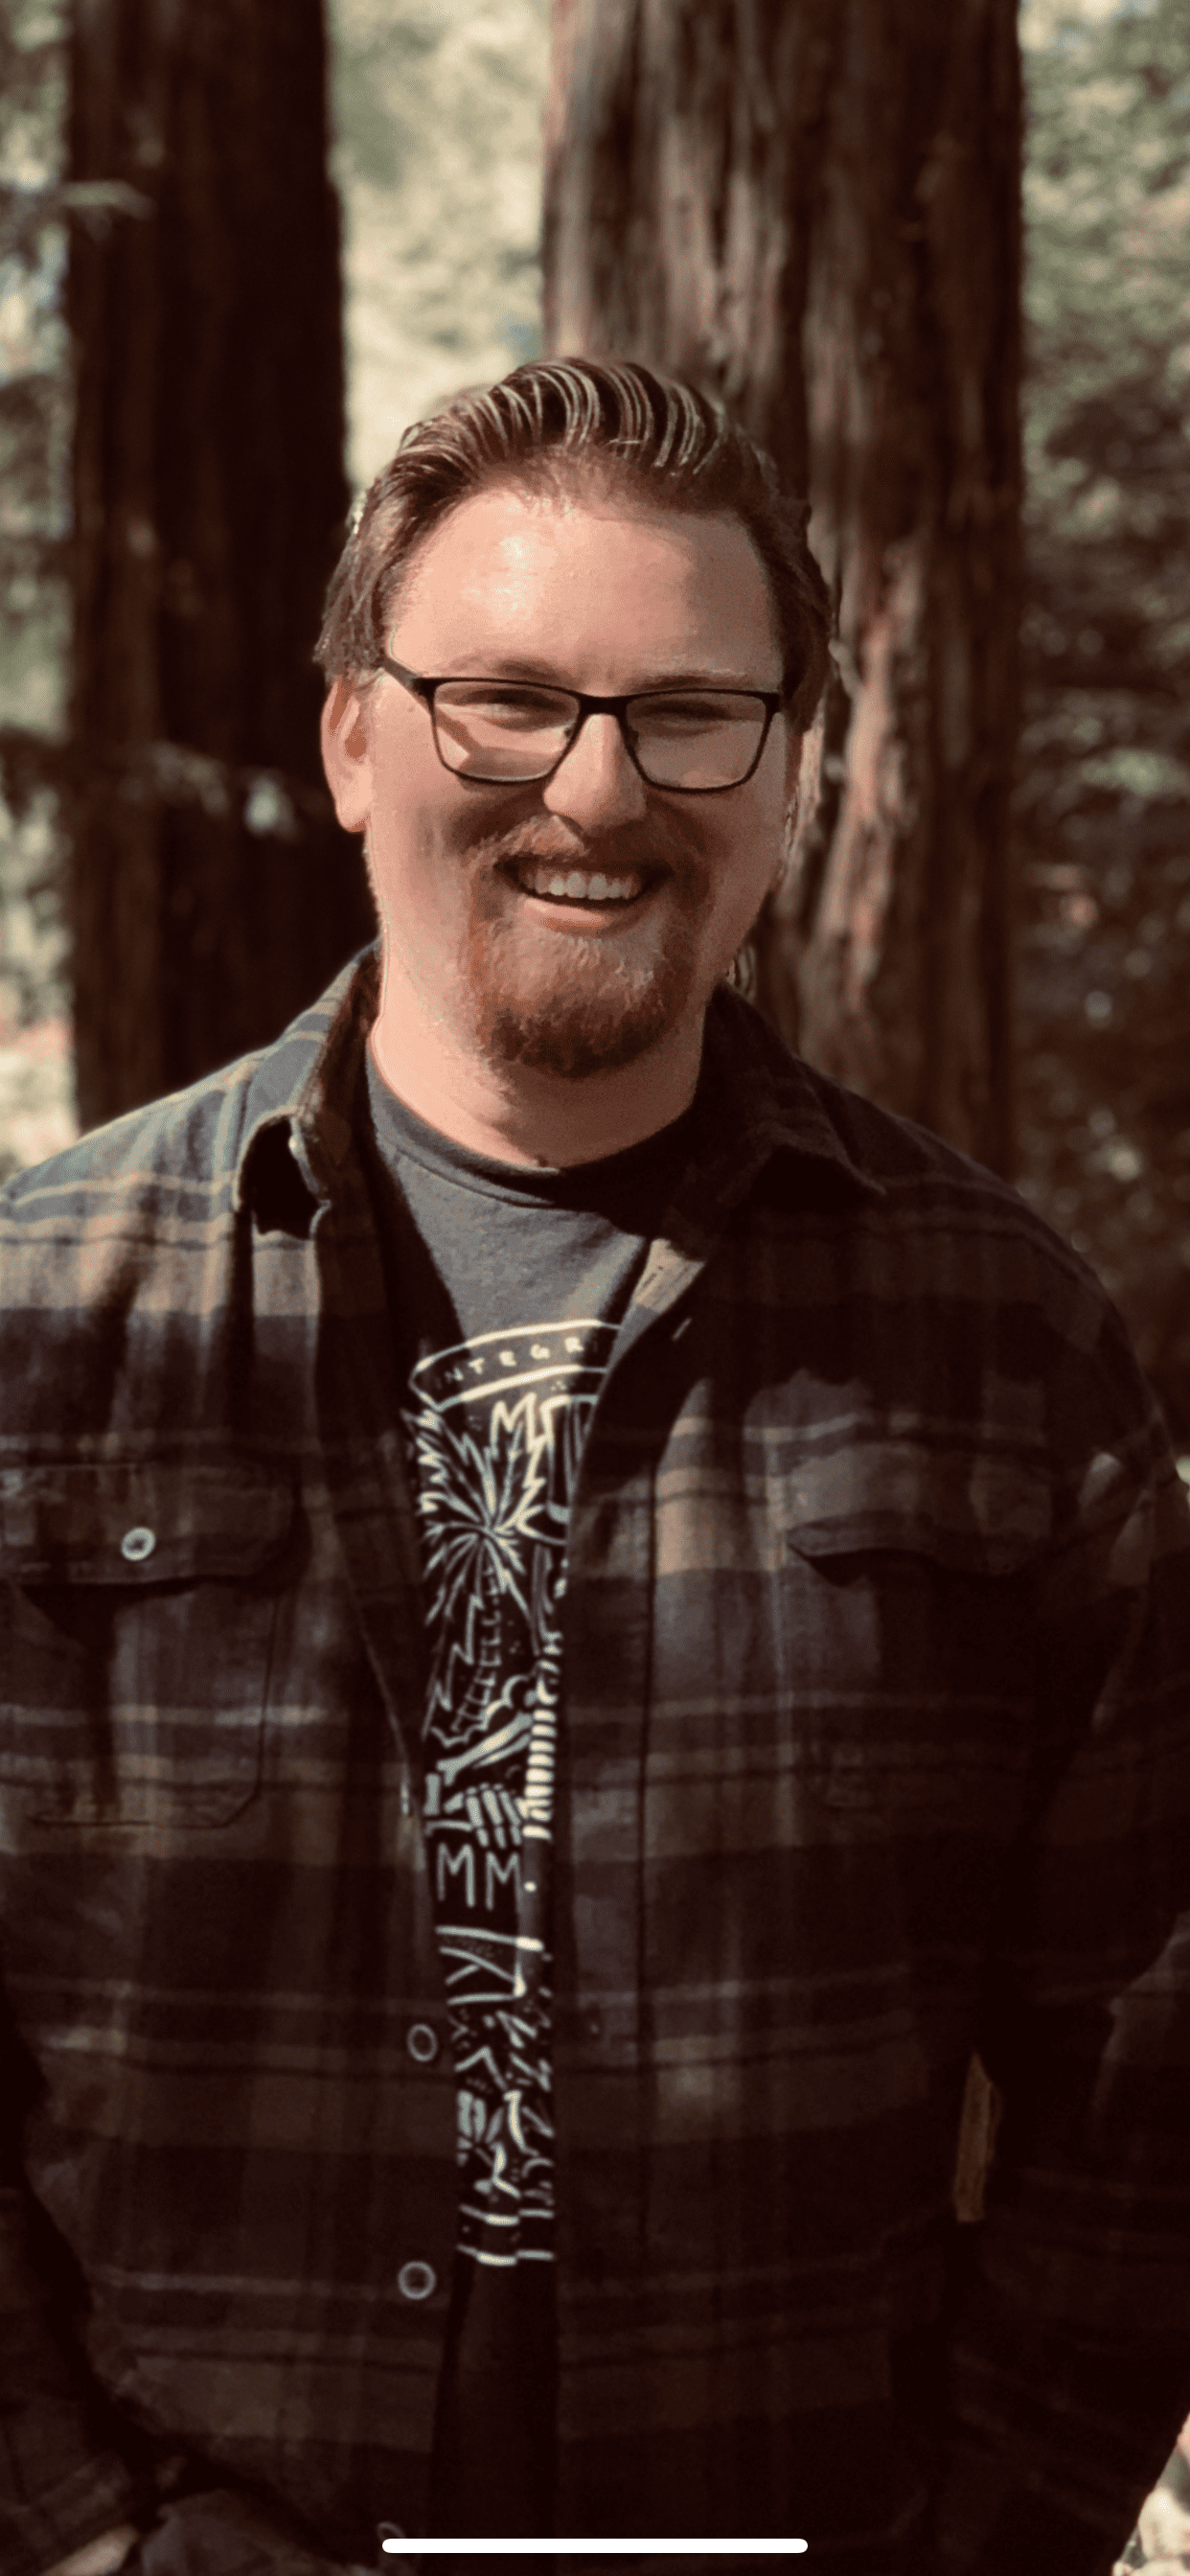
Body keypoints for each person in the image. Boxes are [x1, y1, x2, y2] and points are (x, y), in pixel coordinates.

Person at [1, 356, 1188, 2576]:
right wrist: (71, 2533)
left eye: (694, 712)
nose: (601, 787)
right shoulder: (42, 1317)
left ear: (793, 773)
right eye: (508, 703)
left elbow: (1148, 2066)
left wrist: (993, 2533)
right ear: (354, 742)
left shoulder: (1001, 1339)